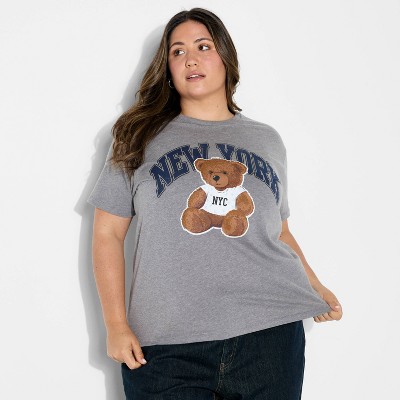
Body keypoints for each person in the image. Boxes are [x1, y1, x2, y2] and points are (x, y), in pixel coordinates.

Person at [87, 7, 343, 400]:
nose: (190, 59)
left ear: (225, 56)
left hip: (269, 335)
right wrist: (116, 325)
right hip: (166, 344)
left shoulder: (267, 140)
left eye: (203, 47)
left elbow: (279, 232)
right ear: (168, 68)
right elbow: (107, 232)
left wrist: (316, 285)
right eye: (177, 51)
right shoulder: (137, 135)